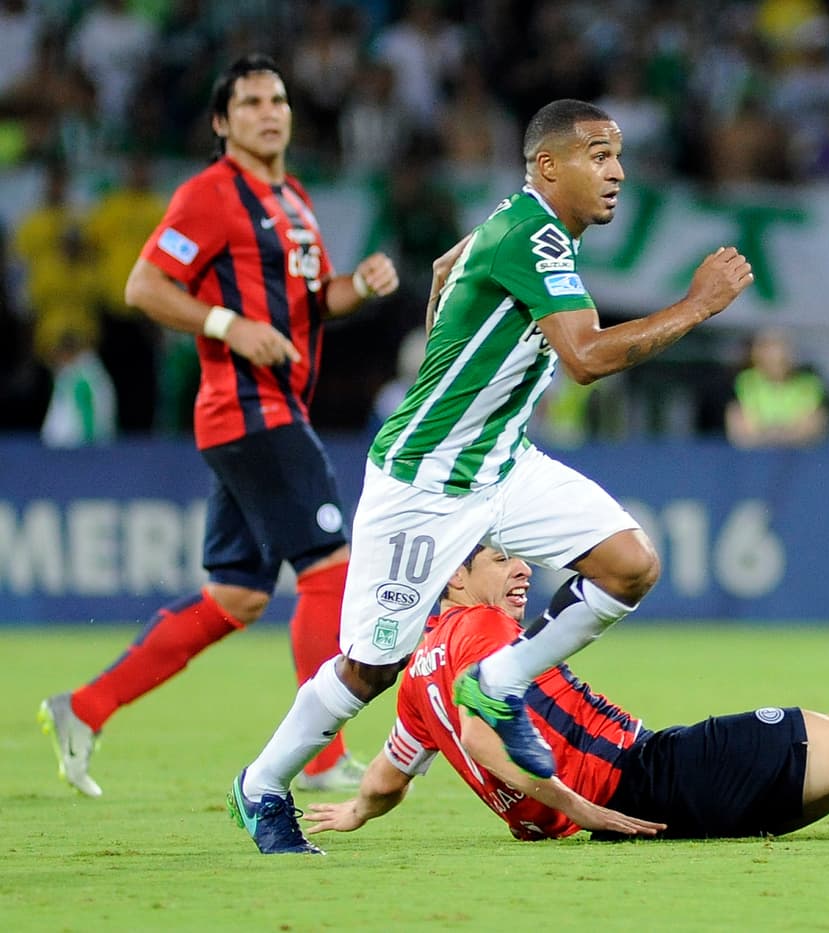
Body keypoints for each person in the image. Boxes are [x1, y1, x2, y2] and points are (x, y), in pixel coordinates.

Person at [229, 97, 753, 854]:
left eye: (618, 155)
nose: (618, 172)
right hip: (425, 482)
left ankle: (498, 680)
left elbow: (453, 263)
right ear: (548, 167)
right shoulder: (534, 234)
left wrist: (453, 297)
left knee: (630, 564)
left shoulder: (526, 228)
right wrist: (700, 304)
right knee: (372, 667)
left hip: (504, 463)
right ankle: (260, 784)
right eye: (599, 155)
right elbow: (586, 359)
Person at [37, 54, 400, 798]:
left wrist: (357, 287)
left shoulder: (294, 198)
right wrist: (229, 325)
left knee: (237, 596)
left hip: (266, 411)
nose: (270, 112)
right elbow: (145, 285)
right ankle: (324, 757)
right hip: (249, 409)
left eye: (279, 99)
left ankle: (83, 707)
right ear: (220, 122)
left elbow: (312, 301)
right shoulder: (210, 195)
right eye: (251, 103)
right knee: (329, 569)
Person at [300, 547, 829, 845]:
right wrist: (580, 810)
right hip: (649, 779)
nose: (521, 569)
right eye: (499, 558)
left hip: (651, 784)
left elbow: (391, 774)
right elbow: (486, 742)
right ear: (454, 581)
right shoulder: (480, 631)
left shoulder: (414, 680)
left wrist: (357, 814)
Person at [725, 328, 828, 448]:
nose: (775, 356)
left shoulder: (809, 384)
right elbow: (739, 429)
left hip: (799, 457)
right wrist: (776, 436)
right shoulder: (744, 382)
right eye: (767, 350)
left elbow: (812, 428)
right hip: (755, 458)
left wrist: (776, 436)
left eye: (780, 349)